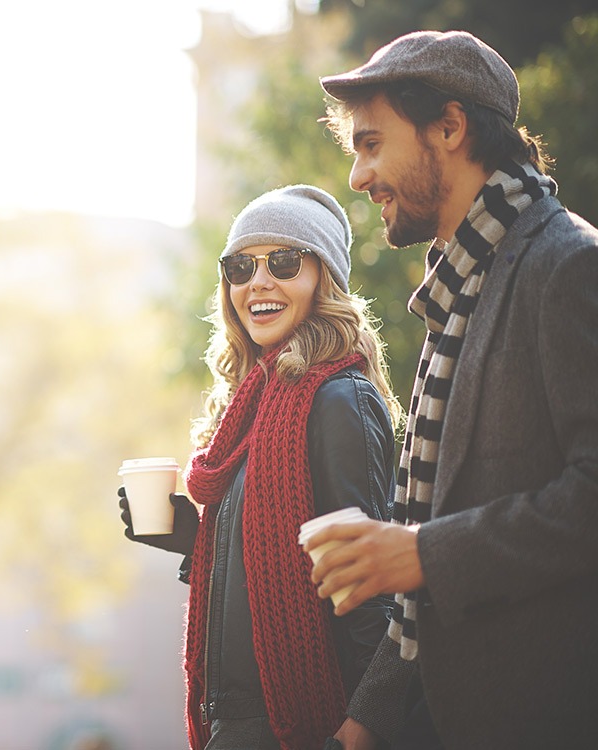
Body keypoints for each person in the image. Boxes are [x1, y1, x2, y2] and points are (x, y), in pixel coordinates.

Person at [306, 30, 598, 750]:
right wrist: (371, 714)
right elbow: (424, 573)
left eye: (371, 145)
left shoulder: (566, 267)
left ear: (449, 126)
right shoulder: (460, 287)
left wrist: (424, 554)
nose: (358, 177)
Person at [118, 185, 404, 750]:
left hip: (305, 726)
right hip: (237, 726)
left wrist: (369, 722)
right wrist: (196, 542)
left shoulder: (337, 399)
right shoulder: (247, 409)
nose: (259, 282)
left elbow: (371, 584)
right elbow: (272, 557)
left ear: (324, 280)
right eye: (241, 266)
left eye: (284, 262)